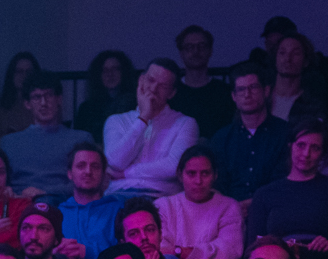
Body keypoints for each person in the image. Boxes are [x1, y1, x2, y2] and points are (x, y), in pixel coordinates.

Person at [245, 118, 328, 256]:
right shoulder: (265, 194)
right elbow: (253, 247)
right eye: (301, 145)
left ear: (323, 153)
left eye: (315, 148)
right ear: (290, 145)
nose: (306, 154)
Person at [104, 58, 200, 197]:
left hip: (160, 197)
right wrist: (143, 118)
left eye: (163, 86)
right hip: (119, 194)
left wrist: (127, 173)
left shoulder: (185, 123)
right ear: (141, 80)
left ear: (172, 93)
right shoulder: (116, 121)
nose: (154, 89)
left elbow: (175, 166)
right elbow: (115, 162)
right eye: (150, 80)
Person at [208, 61, 289, 208]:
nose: (247, 94)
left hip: (274, 210)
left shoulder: (285, 133)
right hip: (228, 212)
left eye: (253, 87)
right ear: (233, 96)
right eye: (241, 89)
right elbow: (217, 184)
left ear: (266, 91)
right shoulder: (221, 138)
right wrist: (232, 208)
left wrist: (251, 205)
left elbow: (284, 182)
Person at [0, 71, 93, 196]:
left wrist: (45, 192)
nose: (43, 103)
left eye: (49, 95)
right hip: (19, 202)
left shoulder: (81, 139)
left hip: (63, 203)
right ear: (27, 104)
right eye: (37, 97)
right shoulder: (9, 143)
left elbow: (89, 181)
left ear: (59, 99)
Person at [157, 147, 242, 259]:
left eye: (205, 173)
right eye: (191, 173)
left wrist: (179, 251)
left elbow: (229, 251)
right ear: (180, 175)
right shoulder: (164, 206)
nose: (198, 181)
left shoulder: (229, 207)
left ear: (215, 175)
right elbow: (159, 251)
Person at [58, 141, 125, 259]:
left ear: (103, 174)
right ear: (70, 173)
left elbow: (126, 253)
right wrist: (55, 254)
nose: (88, 171)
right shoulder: (58, 214)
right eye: (81, 166)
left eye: (95, 166)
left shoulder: (119, 210)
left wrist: (86, 252)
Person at [171, 26, 234, 139]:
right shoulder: (171, 93)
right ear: (181, 53)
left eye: (201, 46)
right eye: (189, 47)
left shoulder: (225, 92)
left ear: (210, 51)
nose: (196, 51)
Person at [74, 49, 136, 142]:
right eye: (105, 70)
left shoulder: (134, 105)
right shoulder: (86, 109)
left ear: (124, 72)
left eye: (115, 69)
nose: (110, 74)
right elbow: (81, 139)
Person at [268, 33, 327, 124]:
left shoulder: (312, 106)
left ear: (306, 61)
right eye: (282, 53)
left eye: (295, 54)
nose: (287, 59)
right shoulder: (260, 98)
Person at [0, 51, 41, 145]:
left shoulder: (45, 107)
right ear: (12, 75)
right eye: (19, 71)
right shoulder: (0, 111)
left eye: (29, 72)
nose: (24, 76)